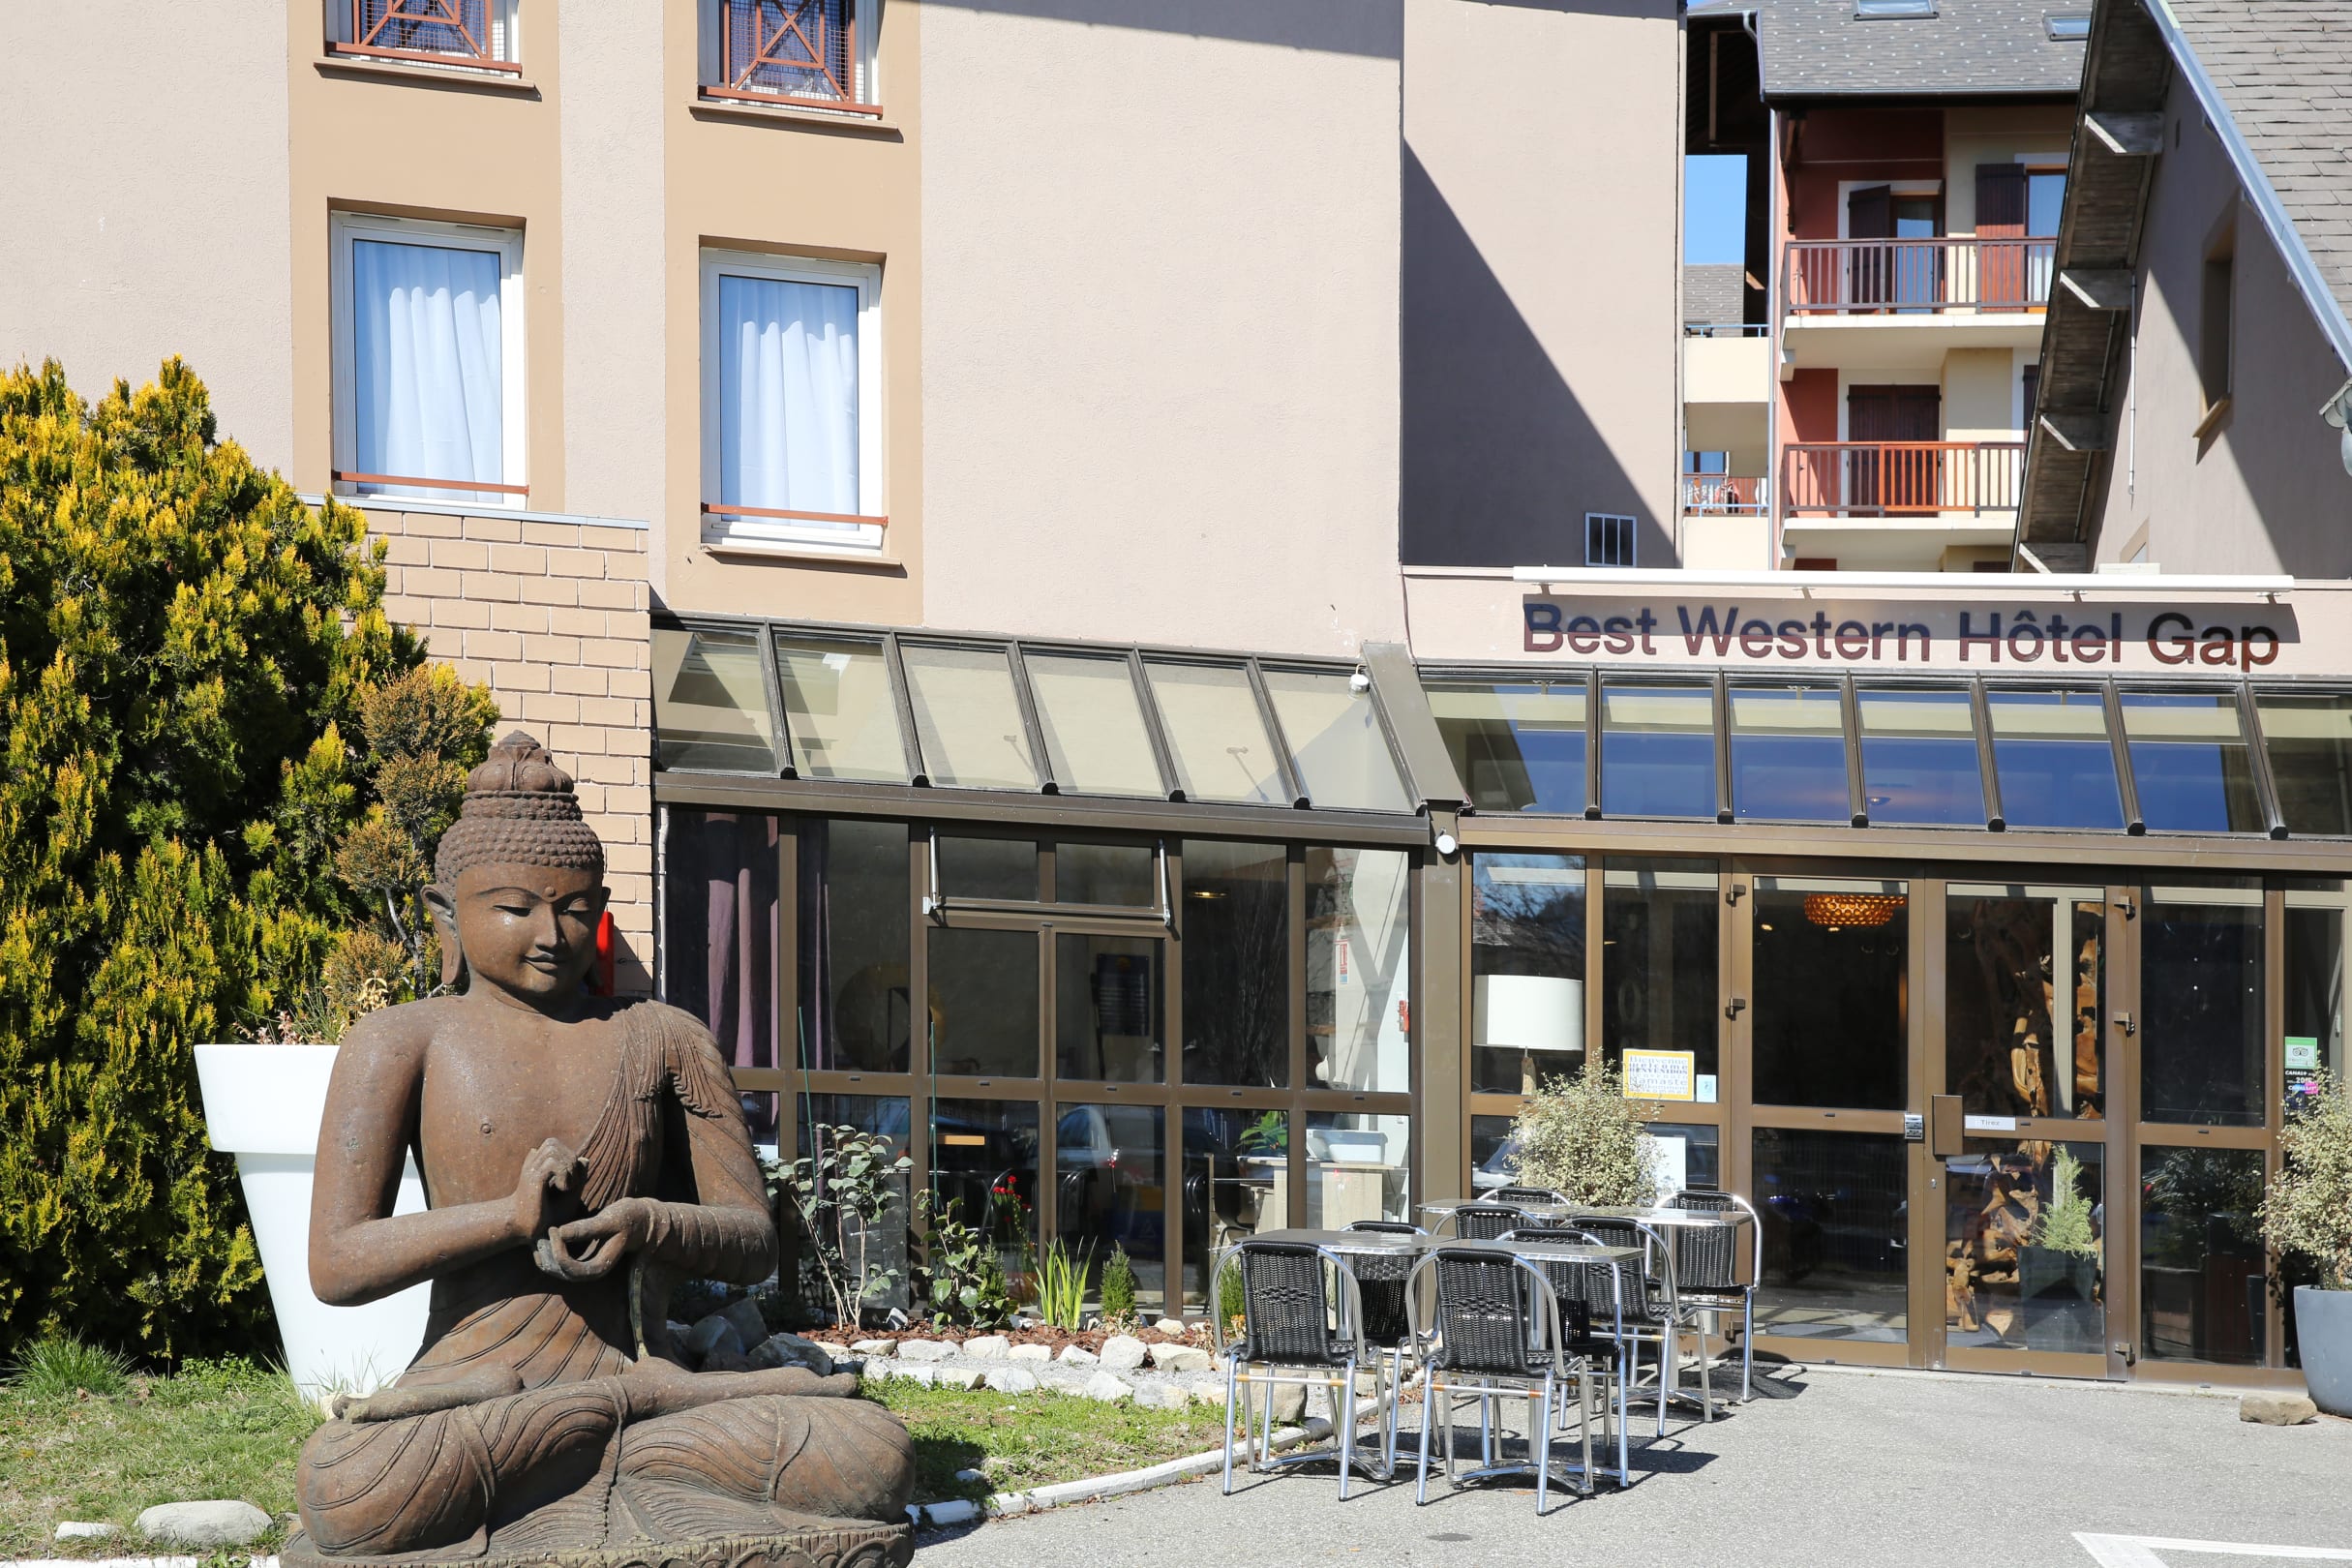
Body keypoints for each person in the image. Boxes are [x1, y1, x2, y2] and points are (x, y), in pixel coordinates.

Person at [291, 734, 913, 1565]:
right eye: (515, 908)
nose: (552, 933)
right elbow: (336, 1264)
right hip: (478, 1389)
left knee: (870, 1453)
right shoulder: (401, 1040)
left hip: (643, 1384)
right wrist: (509, 1220)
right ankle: (609, 1455)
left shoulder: (664, 1036)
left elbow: (754, 1242)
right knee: (349, 1489)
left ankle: (591, 1449)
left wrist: (649, 1223)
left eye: (577, 909)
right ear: (446, 913)